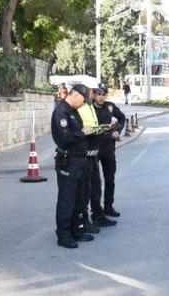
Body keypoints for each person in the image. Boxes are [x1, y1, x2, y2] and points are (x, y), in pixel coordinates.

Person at [51, 84, 94, 248]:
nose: (84, 103)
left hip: (79, 160)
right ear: (75, 95)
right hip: (68, 161)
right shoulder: (61, 111)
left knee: (79, 197)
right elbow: (66, 137)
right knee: (66, 199)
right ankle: (63, 235)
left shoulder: (73, 111)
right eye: (84, 100)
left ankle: (76, 230)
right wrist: (82, 133)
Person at [93, 83, 127, 219]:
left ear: (107, 95)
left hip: (108, 148)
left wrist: (117, 131)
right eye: (99, 94)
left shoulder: (110, 107)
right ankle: (96, 211)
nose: (101, 97)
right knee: (94, 182)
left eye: (104, 94)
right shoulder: (89, 108)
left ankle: (108, 207)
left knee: (110, 179)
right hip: (94, 148)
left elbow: (122, 118)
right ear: (95, 94)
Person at [76, 88, 106, 234]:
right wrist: (86, 130)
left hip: (94, 151)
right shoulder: (80, 107)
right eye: (92, 93)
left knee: (95, 186)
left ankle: (97, 214)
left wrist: (98, 129)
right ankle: (84, 220)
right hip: (86, 152)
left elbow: (91, 123)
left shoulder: (89, 106)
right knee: (85, 189)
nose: (93, 96)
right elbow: (78, 128)